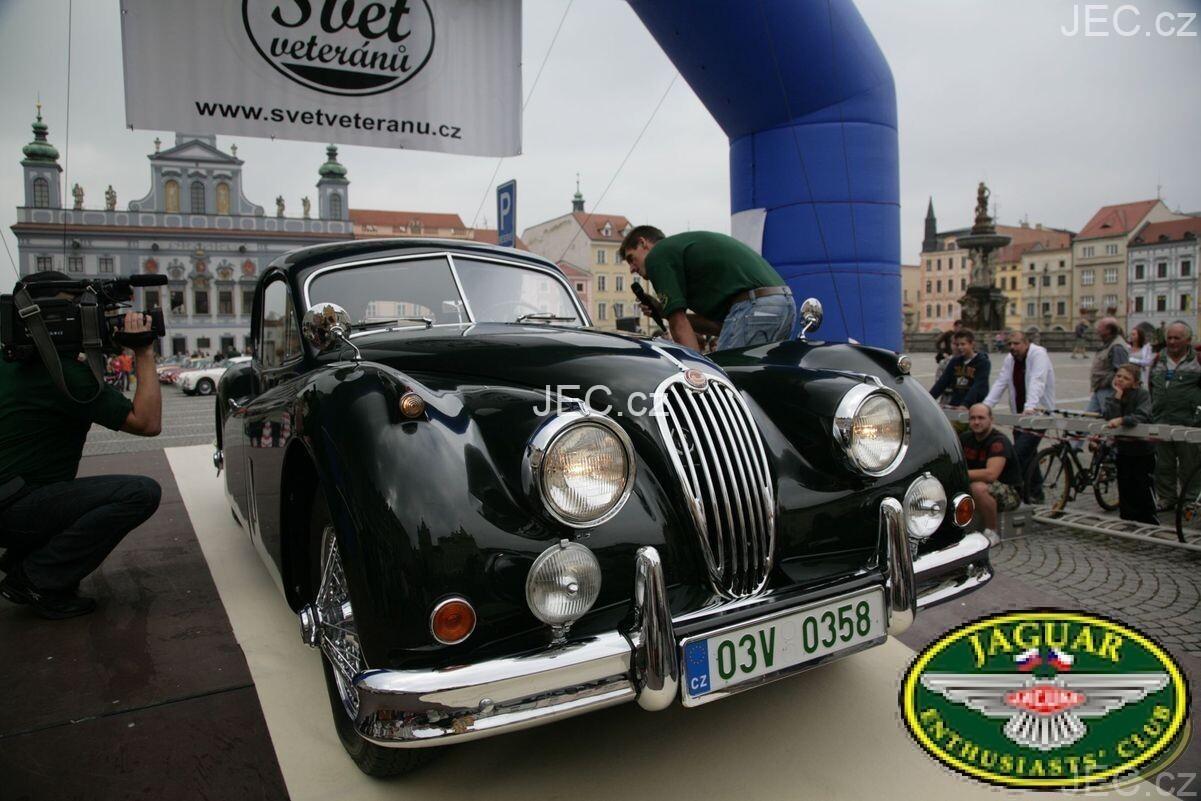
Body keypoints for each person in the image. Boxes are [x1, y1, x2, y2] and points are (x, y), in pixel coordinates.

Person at [0, 271, 163, 619]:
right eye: (75, 312)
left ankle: (22, 556)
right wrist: (144, 351)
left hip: (10, 497)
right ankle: (35, 579)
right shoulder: (60, 374)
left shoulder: (9, 361)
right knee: (139, 493)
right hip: (16, 505)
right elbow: (147, 422)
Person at [620, 225, 796, 351]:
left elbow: (679, 325)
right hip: (784, 305)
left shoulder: (657, 256)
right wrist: (663, 312)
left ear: (643, 243)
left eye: (631, 258)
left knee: (723, 381)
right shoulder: (682, 255)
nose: (632, 269)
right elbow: (720, 327)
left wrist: (697, 375)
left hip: (754, 307)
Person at [983, 330, 1057, 500]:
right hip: (1019, 415)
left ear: (1026, 343)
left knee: (1018, 454)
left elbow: (1037, 380)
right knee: (1029, 454)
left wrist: (1030, 407)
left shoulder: (1038, 355)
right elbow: (1001, 382)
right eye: (1009, 344)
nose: (1012, 347)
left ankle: (1015, 493)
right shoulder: (1010, 359)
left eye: (1016, 343)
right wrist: (986, 406)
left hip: (1038, 414)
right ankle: (1036, 493)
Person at [1149, 321, 1201, 512]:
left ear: (1188, 340)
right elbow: (1151, 386)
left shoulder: (1197, 361)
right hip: (1162, 419)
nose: (1172, 341)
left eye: (1176, 338)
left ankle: (1190, 499)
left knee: (1190, 464)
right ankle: (1167, 497)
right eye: (1169, 338)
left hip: (1188, 422)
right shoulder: (1158, 359)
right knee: (1163, 464)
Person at [960, 404, 1023, 546]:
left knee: (977, 488)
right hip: (977, 484)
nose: (976, 422)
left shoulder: (998, 442)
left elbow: (991, 474)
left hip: (1010, 492)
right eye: (972, 418)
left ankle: (992, 532)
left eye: (981, 418)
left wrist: (959, 474)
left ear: (991, 419)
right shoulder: (965, 438)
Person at [1103, 364, 1158, 524]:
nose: (1120, 380)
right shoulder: (1114, 395)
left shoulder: (1143, 395)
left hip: (1143, 450)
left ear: (1135, 383)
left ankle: (1148, 520)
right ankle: (1127, 519)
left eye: (1126, 378)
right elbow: (1109, 415)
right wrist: (1117, 397)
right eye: (1119, 376)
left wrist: (1122, 420)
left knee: (1142, 486)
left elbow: (1141, 415)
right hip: (1123, 449)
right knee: (1125, 485)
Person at [928, 329, 991, 408]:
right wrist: (928, 399)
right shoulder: (955, 361)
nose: (960, 347)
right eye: (957, 344)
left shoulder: (982, 362)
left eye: (963, 344)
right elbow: (942, 382)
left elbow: (978, 385)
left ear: (972, 344)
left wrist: (965, 404)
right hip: (956, 404)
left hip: (974, 406)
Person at [1086, 317, 1129, 413]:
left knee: (1108, 415)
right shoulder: (1109, 343)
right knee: (1088, 416)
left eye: (1100, 327)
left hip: (1109, 390)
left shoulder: (1117, 347)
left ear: (1108, 330)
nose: (1097, 329)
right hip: (1100, 388)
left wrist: (1104, 382)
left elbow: (1120, 371)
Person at [1128, 322, 1156, 388]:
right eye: (1131, 334)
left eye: (1133, 334)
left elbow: (1147, 362)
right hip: (1129, 374)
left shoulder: (1146, 348)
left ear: (1139, 336)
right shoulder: (1127, 347)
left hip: (1140, 376)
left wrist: (1131, 360)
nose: (1131, 336)